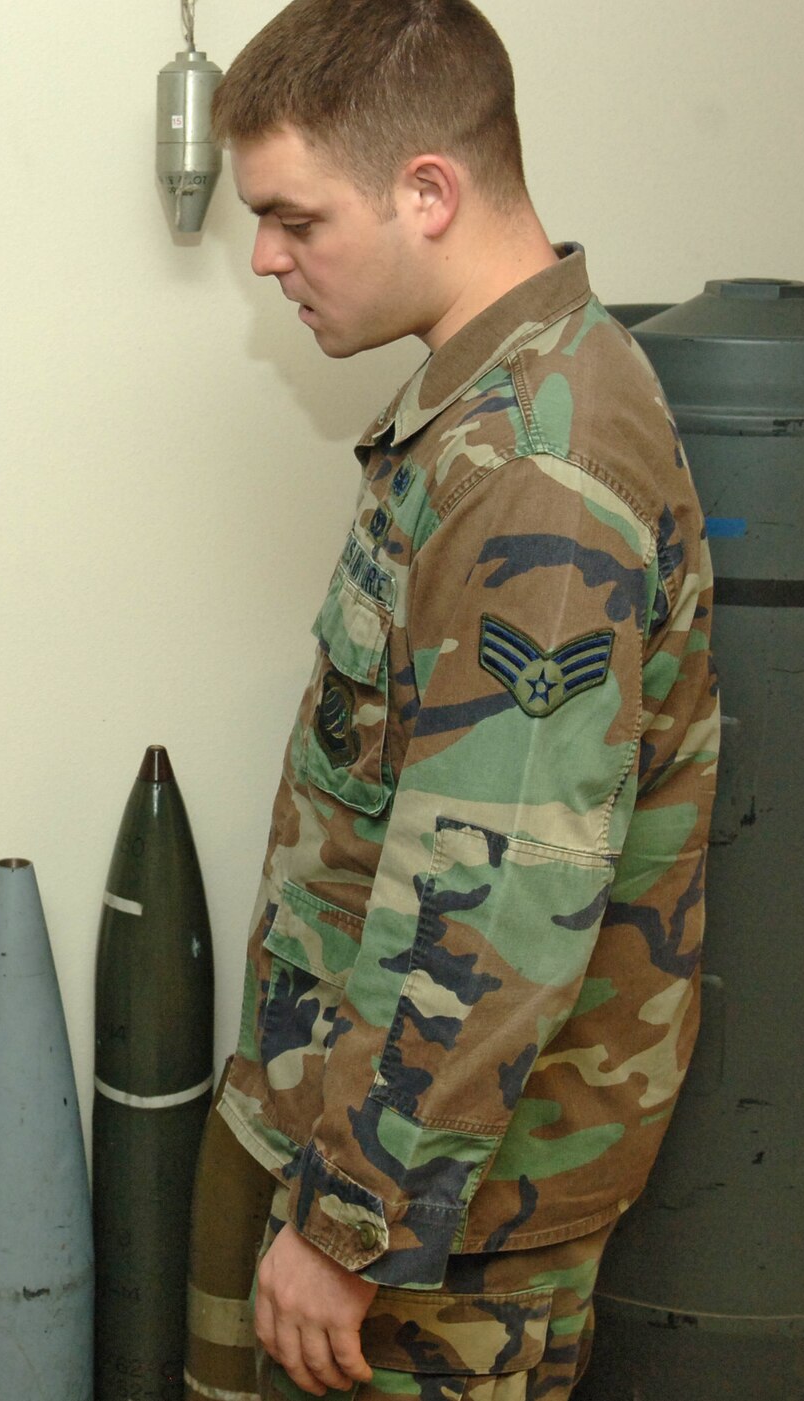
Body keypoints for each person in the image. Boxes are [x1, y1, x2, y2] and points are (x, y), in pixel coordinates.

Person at [199, 3, 720, 1397]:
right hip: (421, 1187)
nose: (267, 257)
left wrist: (349, 1224)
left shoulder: (535, 470)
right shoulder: (488, 409)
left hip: (448, 1232)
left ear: (427, 191)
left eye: (294, 217)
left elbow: (495, 895)